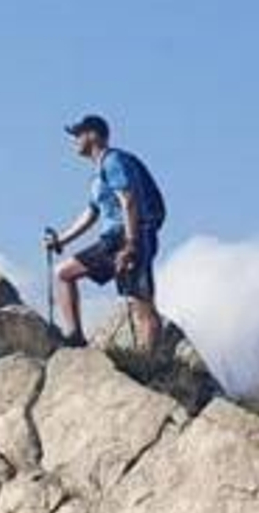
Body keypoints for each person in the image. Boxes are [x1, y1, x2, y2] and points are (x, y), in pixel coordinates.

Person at [43, 114, 167, 351]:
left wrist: (131, 244)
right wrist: (61, 240)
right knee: (66, 274)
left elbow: (128, 200)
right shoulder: (99, 172)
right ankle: (76, 336)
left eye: (78, 134)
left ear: (93, 135)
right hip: (118, 238)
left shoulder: (113, 162)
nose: (75, 141)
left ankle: (149, 360)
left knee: (141, 303)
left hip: (128, 237)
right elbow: (92, 213)